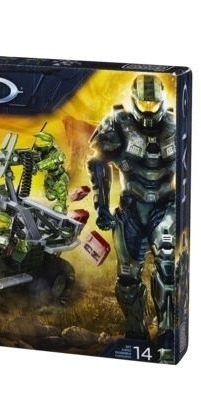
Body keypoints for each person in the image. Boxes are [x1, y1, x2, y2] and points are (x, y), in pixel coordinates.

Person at [87, 75, 176, 363]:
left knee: (167, 268)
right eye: (144, 103)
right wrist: (101, 206)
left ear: (162, 101)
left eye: (153, 103)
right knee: (127, 277)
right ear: (134, 101)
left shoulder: (177, 125)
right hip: (132, 209)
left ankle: (167, 334)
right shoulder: (118, 123)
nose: (149, 109)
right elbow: (97, 162)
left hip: (165, 207)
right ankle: (135, 335)